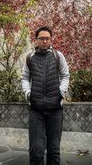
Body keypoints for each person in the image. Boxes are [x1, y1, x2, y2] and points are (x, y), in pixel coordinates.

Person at [21, 26, 70, 165]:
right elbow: (24, 77)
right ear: (36, 40)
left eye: (47, 38)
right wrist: (28, 93)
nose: (44, 41)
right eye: (41, 38)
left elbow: (65, 75)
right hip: (36, 110)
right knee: (36, 150)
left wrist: (60, 92)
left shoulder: (57, 56)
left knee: (54, 150)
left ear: (51, 40)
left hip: (55, 110)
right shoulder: (30, 58)